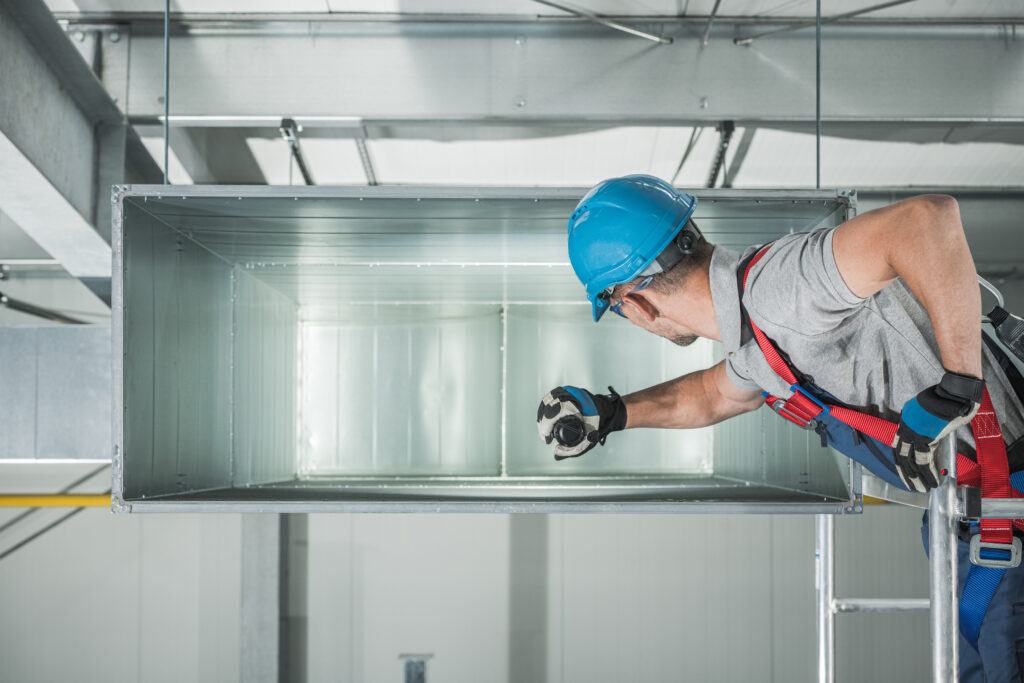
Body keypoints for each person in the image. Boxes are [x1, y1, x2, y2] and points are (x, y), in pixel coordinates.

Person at [536, 174, 1024, 681]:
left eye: (616, 308)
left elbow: (925, 221)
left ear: (635, 305)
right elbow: (713, 394)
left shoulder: (780, 288)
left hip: (1008, 510)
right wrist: (611, 413)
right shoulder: (756, 337)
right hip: (980, 526)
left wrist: (958, 385)